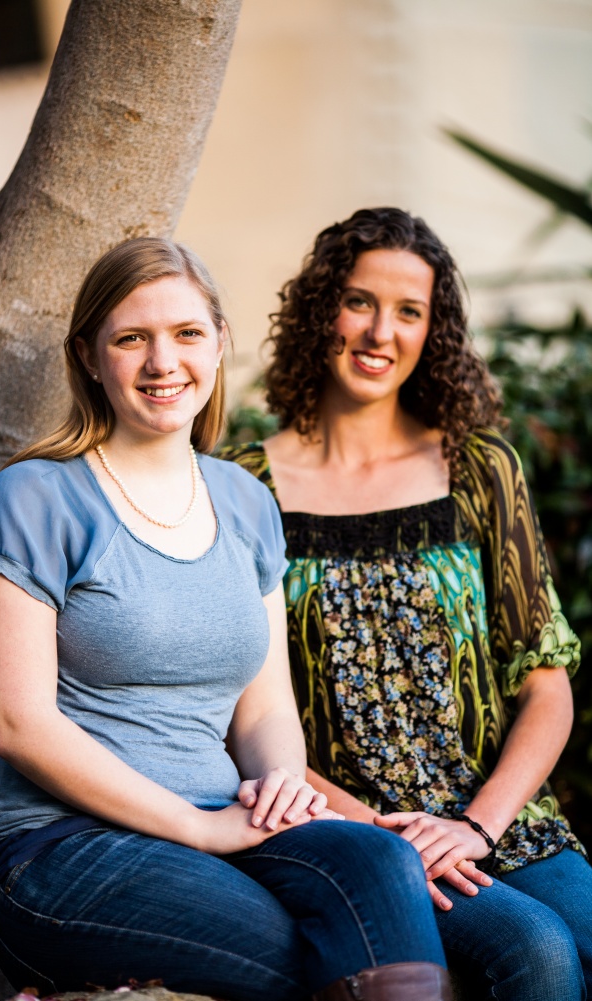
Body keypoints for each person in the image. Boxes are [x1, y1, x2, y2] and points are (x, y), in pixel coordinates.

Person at [0, 236, 453, 1001]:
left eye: (186, 333)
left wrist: (283, 787)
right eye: (131, 338)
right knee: (309, 956)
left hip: (230, 829)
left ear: (219, 343)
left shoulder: (244, 500)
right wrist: (200, 828)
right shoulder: (35, 496)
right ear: (90, 357)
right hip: (64, 852)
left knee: (377, 864)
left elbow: (261, 706)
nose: (163, 362)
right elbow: (17, 722)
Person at [221, 208, 592, 1001]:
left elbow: (545, 686)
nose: (378, 331)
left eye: (408, 311)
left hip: (500, 818)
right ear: (320, 310)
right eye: (358, 301)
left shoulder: (479, 468)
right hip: (351, 830)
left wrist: (473, 826)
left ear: (435, 333)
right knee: (538, 952)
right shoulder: (243, 485)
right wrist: (391, 834)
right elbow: (232, 705)